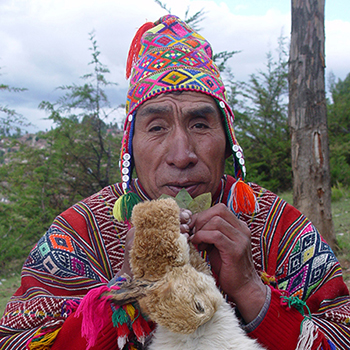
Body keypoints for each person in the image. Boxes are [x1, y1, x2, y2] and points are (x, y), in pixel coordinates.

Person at [1, 14, 350, 350]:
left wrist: (251, 290)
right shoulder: (79, 233)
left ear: (228, 141)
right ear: (130, 149)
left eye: (200, 124)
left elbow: (340, 335)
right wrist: (126, 288)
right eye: (156, 127)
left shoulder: (279, 226)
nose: (182, 154)